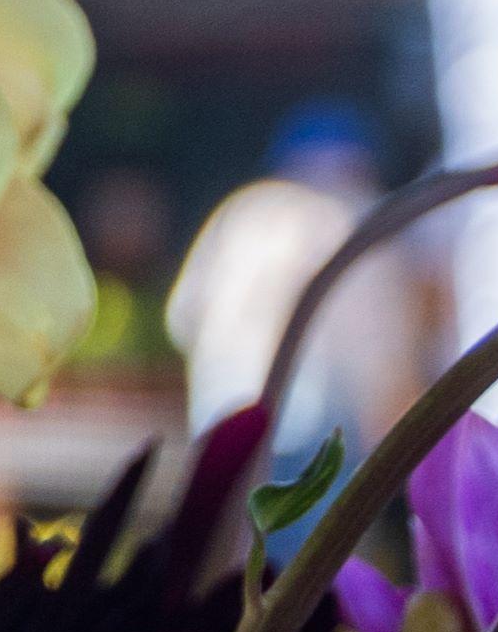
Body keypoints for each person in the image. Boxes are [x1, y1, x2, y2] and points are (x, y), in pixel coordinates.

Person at [168, 103, 435, 471]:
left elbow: (182, 317)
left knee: (227, 523)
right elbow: (376, 340)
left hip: (221, 409)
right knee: (306, 525)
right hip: (313, 424)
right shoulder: (359, 216)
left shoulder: (240, 210)